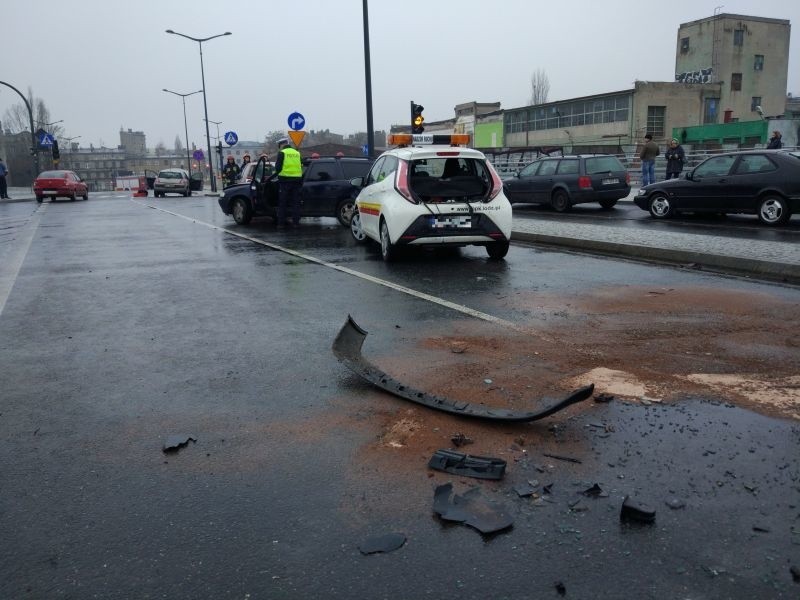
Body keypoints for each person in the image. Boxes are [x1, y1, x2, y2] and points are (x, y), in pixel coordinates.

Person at [274, 138, 303, 228]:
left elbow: (278, 167)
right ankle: (296, 223)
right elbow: (301, 165)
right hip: (297, 181)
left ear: (281, 145)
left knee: (283, 203)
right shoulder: (297, 153)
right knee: (295, 203)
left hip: (285, 181)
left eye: (279, 147)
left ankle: (281, 224)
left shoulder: (282, 153)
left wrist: (279, 174)